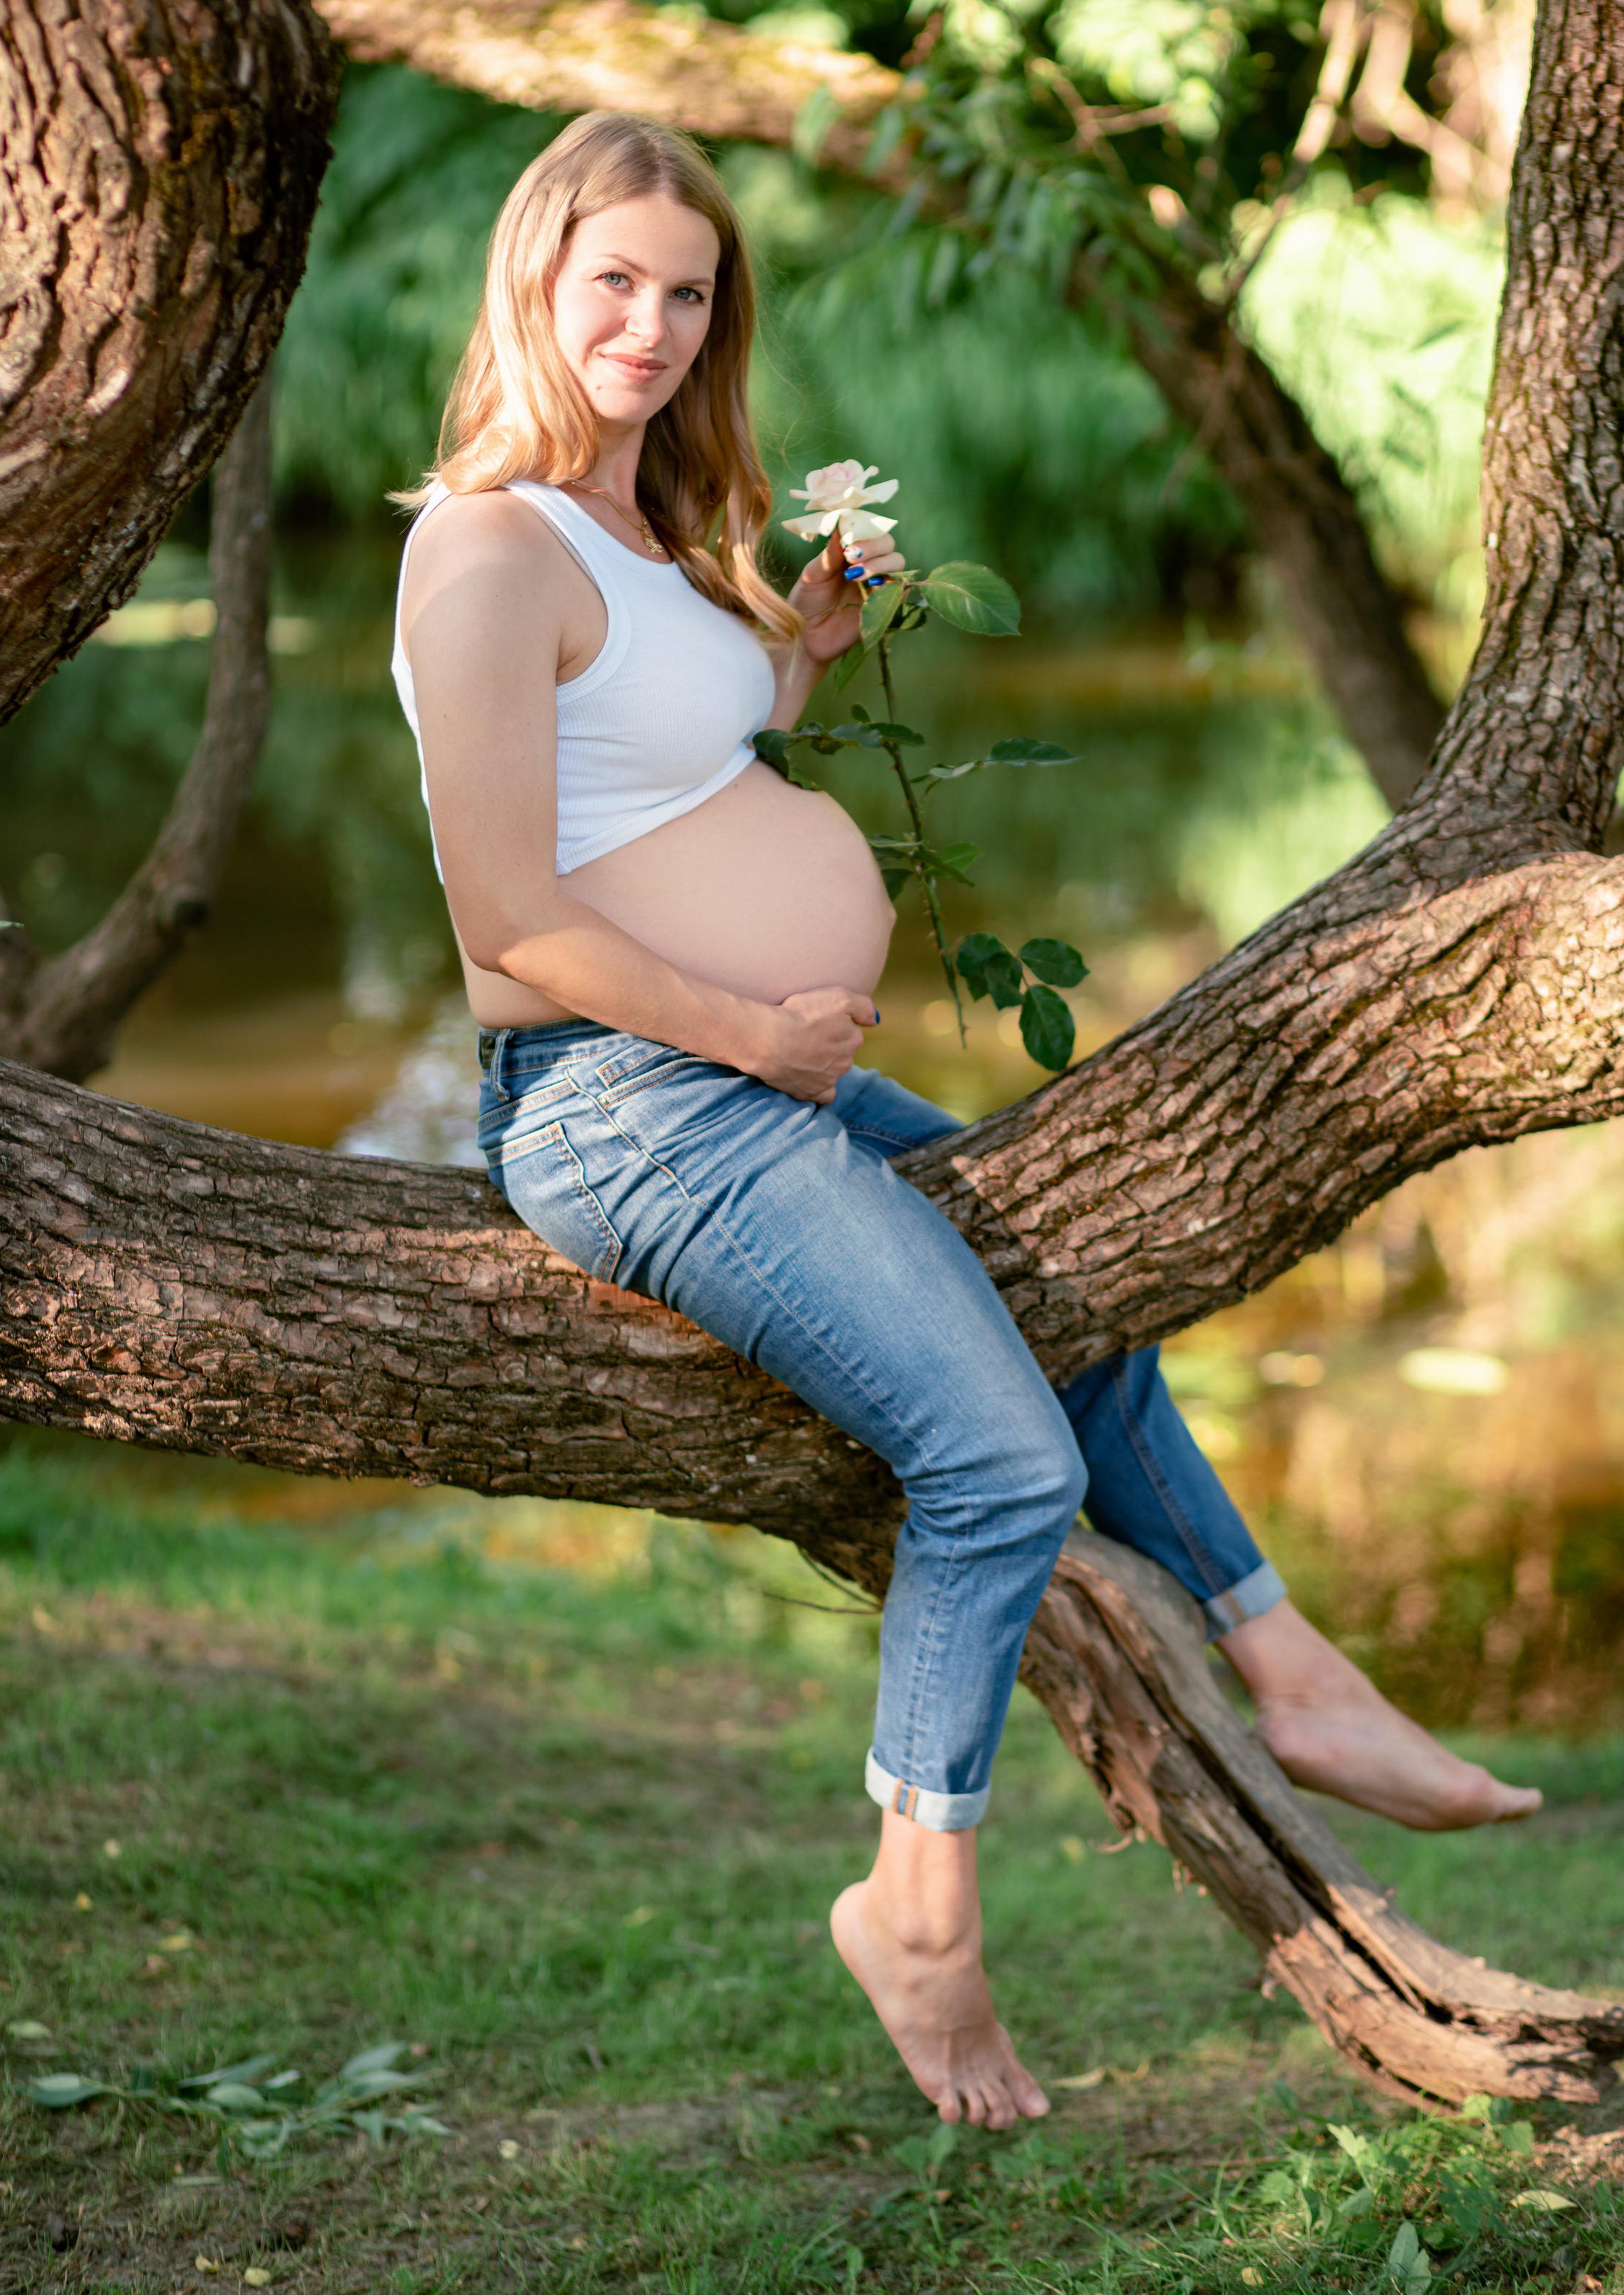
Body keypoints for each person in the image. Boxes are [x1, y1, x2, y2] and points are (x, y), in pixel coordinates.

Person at [391, 111, 1540, 2130]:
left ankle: (1292, 1667)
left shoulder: (632, 532)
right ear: (532, 279)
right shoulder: (483, 545)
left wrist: (797, 652)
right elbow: (509, 927)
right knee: (997, 1464)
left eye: (688, 294)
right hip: (630, 1107)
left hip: (736, 1081)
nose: (652, 327)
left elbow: (661, 763)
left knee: (1085, 1291)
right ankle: (914, 1910)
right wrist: (752, 1028)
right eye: (614, 283)